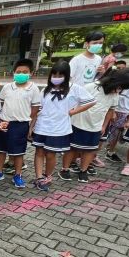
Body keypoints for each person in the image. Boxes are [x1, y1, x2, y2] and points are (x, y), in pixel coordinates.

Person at [29, 62, 95, 191]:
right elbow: (38, 110)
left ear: (66, 75)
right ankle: (38, 177)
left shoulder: (74, 88)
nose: (56, 77)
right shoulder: (46, 90)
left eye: (60, 75)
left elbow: (91, 101)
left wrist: (73, 112)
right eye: (54, 74)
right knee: (39, 152)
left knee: (51, 154)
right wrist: (31, 126)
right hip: (42, 126)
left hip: (59, 129)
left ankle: (48, 175)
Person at [66, 69, 129, 183]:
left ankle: (83, 171)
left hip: (96, 126)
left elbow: (110, 110)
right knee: (74, 147)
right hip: (78, 123)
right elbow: (75, 102)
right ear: (114, 81)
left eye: (122, 88)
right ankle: (67, 167)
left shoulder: (115, 95)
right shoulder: (91, 87)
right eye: (119, 87)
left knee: (91, 150)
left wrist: (104, 125)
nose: (119, 90)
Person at [0, 59, 42, 188]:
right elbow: (0, 102)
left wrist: (27, 119)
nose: (21, 74)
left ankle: (17, 175)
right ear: (13, 73)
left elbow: (35, 108)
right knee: (1, 150)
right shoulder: (8, 87)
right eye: (18, 72)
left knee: (18, 152)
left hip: (20, 125)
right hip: (5, 123)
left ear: (30, 73)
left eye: (25, 72)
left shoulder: (33, 88)